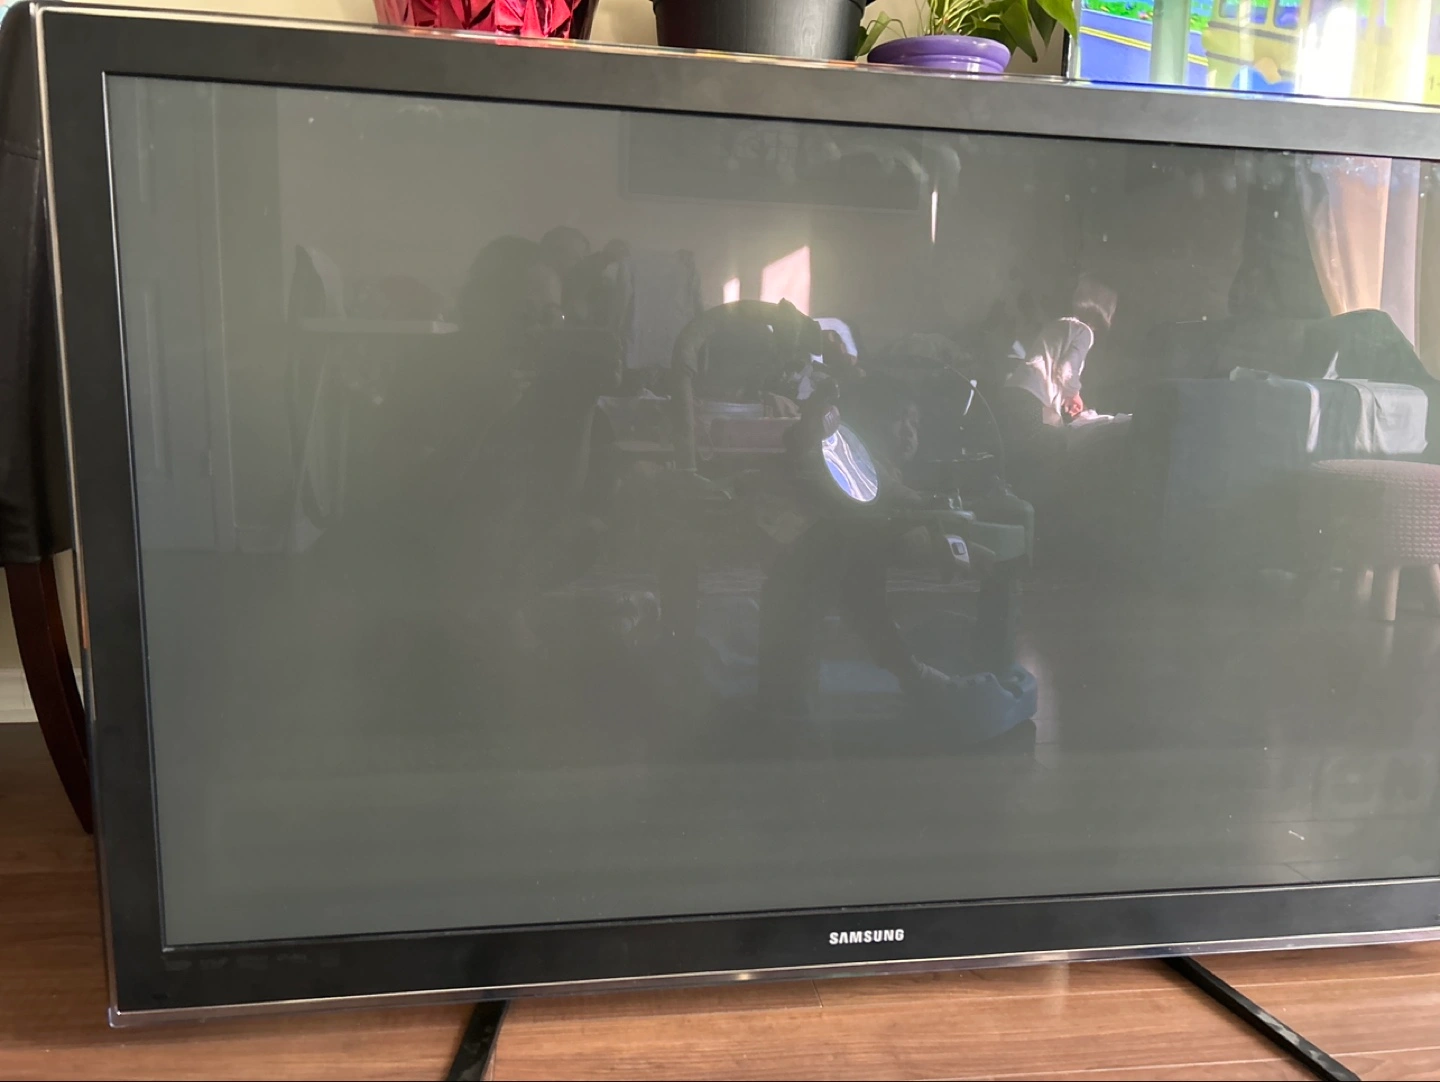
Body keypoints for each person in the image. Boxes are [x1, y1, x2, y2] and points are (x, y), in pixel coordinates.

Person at [1003, 276, 1118, 429]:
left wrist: (1067, 397)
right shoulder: (1084, 332)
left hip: (1014, 390)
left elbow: (1053, 370)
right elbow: (1066, 371)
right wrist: (1074, 394)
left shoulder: (1060, 324)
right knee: (1050, 439)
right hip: (1033, 397)